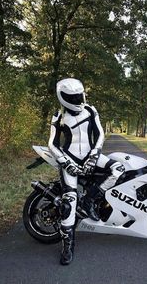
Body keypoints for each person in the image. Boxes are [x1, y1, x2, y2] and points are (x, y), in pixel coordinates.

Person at [48, 78, 124, 265]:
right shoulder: (58, 116)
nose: (77, 99)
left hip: (92, 155)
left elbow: (99, 135)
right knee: (69, 203)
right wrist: (66, 162)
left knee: (118, 169)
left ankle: (90, 199)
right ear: (63, 97)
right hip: (70, 159)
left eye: (79, 95)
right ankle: (67, 246)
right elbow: (52, 144)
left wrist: (94, 154)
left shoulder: (91, 110)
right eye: (73, 97)